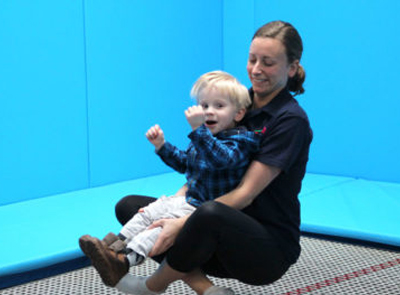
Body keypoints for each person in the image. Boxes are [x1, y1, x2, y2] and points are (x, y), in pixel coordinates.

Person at [88, 20, 312, 295]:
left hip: (263, 247)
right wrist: (172, 207)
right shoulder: (237, 101)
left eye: (268, 62)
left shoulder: (290, 120)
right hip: (211, 233)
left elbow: (245, 195)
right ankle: (206, 289)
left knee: (208, 213)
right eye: (252, 59)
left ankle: (150, 287)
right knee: (131, 207)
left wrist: (181, 224)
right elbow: (200, 166)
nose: (256, 70)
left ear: (291, 67)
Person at [79, 71, 263, 294]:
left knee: (159, 228)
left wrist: (199, 131)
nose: (209, 111)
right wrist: (162, 146)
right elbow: (186, 164)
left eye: (219, 106)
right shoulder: (204, 138)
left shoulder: (241, 140)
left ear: (239, 113)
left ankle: (125, 260)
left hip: (207, 210)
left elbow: (221, 160)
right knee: (147, 213)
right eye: (204, 105)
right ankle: (114, 246)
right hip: (188, 198)